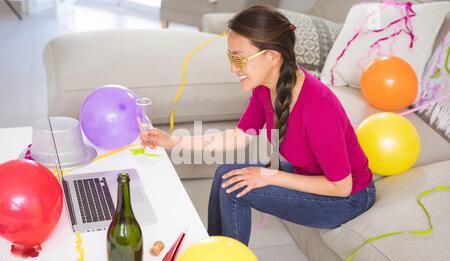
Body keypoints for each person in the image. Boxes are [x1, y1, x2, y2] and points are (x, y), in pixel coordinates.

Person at [140, 5, 376, 246]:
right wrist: (172, 141)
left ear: (273, 56)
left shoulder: (318, 108)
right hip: (313, 177)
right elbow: (240, 135)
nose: (233, 68)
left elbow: (341, 187)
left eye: (240, 59)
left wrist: (269, 175)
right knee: (225, 174)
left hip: (348, 200)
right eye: (231, 58)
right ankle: (213, 250)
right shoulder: (266, 87)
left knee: (236, 190)